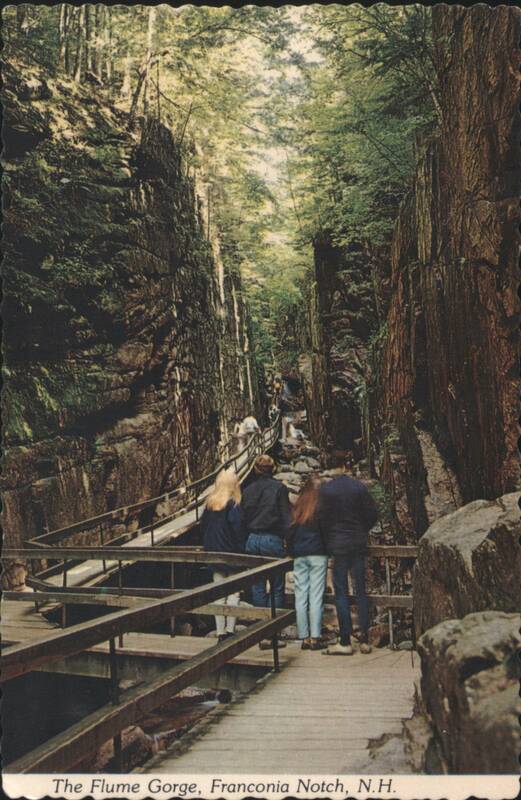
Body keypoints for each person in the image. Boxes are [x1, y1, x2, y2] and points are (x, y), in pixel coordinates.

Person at [318, 459, 378, 655]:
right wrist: (362, 529)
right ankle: (364, 639)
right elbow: (373, 513)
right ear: (345, 468)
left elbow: (321, 519)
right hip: (358, 543)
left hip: (338, 544)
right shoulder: (358, 487)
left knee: (341, 592)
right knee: (360, 590)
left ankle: (345, 640)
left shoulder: (327, 490)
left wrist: (329, 538)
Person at [201, 468, 245, 642]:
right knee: (233, 593)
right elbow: (237, 529)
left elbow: (203, 527)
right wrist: (242, 551)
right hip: (231, 552)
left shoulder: (209, 504)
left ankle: (220, 632)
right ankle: (230, 629)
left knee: (218, 592)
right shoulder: (233, 504)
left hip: (213, 552)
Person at [242, 454, 291, 610]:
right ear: (273, 469)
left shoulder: (247, 490)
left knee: (258, 584)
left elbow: (242, 517)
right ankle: (273, 627)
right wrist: (290, 543)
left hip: (252, 539)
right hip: (272, 539)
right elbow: (286, 518)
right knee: (276, 585)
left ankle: (260, 624)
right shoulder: (280, 489)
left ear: (256, 470)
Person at [287, 476, 329, 651]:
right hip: (318, 554)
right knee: (316, 596)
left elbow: (290, 531)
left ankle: (304, 636)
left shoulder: (298, 507)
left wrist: (290, 551)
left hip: (300, 555)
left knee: (301, 595)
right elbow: (326, 532)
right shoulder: (321, 507)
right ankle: (315, 636)